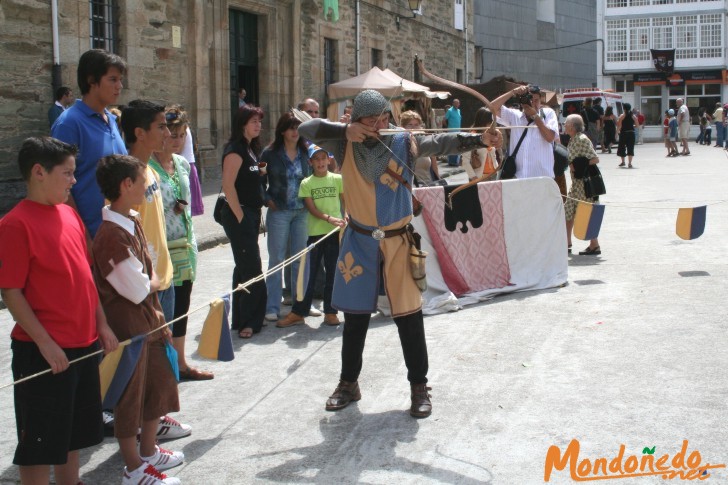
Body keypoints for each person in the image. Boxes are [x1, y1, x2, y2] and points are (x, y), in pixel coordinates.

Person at [298, 89, 503, 418]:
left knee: (409, 317)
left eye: (382, 118)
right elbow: (304, 127)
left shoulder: (403, 141)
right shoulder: (343, 142)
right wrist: (343, 130)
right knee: (355, 318)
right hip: (359, 241)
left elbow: (443, 143)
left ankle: (419, 386)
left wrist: (480, 138)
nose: (378, 125)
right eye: (370, 120)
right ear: (357, 120)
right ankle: (348, 382)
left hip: (397, 240)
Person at [0, 137, 118, 485]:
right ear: (39, 172)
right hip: (43, 352)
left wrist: (102, 324)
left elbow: (85, 274)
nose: (74, 180)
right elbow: (11, 292)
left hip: (84, 344)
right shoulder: (14, 225)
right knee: (41, 439)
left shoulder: (69, 213)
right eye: (66, 173)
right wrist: (45, 344)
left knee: (74, 434)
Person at [93, 154, 183, 485]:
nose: (147, 186)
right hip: (131, 330)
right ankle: (133, 467)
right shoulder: (110, 236)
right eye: (142, 180)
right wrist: (155, 281)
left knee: (156, 388)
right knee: (130, 397)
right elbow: (136, 288)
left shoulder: (131, 219)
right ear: (126, 185)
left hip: (150, 324)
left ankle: (148, 451)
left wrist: (153, 283)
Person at [120, 100, 193, 441]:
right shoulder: (129, 173)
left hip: (164, 275)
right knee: (147, 362)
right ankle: (143, 430)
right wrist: (144, 279)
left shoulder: (150, 170)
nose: (169, 134)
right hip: (147, 283)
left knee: (161, 360)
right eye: (162, 127)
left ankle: (157, 418)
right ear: (140, 133)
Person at [150, 106, 213, 380]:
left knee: (183, 305)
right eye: (171, 133)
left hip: (185, 246)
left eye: (181, 135)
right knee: (162, 312)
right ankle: (162, 368)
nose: (175, 140)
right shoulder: (147, 168)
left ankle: (181, 363)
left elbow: (187, 206)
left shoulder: (183, 164)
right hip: (160, 248)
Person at [51, 49, 127, 239]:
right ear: (91, 80)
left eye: (120, 79)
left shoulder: (110, 119)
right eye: (113, 79)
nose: (120, 86)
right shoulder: (69, 123)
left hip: (118, 233)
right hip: (91, 236)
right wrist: (84, 239)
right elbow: (59, 186)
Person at [276, 144, 345, 328]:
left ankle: (331, 312)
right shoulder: (307, 183)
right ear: (311, 162)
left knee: (333, 274)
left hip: (334, 234)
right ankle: (299, 312)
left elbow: (346, 202)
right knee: (307, 275)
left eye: (323, 158)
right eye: (316, 159)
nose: (321, 162)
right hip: (314, 235)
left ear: (329, 160)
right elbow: (311, 208)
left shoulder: (337, 179)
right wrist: (329, 218)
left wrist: (346, 216)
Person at [261, 112, 317, 323]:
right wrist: (266, 198)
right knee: (276, 259)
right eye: (292, 128)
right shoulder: (269, 154)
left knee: (301, 259)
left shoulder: (306, 152)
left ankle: (301, 304)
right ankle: (272, 306)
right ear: (282, 130)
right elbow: (259, 178)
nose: (295, 132)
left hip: (302, 211)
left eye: (298, 128)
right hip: (280, 211)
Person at [220, 106, 267, 339]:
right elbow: (228, 186)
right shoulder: (235, 150)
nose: (258, 125)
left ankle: (240, 318)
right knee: (251, 267)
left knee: (243, 265)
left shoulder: (251, 149)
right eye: (253, 121)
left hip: (251, 214)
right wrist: (240, 216)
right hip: (241, 215)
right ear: (242, 124)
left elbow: (251, 176)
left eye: (259, 121)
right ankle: (249, 321)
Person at [491, 84, 559, 179]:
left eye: (536, 100)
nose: (533, 104)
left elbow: (550, 137)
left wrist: (535, 116)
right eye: (530, 100)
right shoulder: (515, 116)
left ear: (540, 101)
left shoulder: (548, 114)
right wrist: (513, 92)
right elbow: (491, 108)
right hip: (519, 178)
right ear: (522, 102)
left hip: (543, 179)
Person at [562, 115, 601, 256]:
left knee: (587, 214)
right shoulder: (572, 139)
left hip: (585, 185)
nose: (564, 125)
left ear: (572, 126)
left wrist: (576, 165)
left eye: (566, 123)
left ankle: (594, 244)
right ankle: (566, 243)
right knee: (568, 212)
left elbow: (595, 159)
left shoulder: (582, 140)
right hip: (576, 184)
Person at [399, 110, 441, 185]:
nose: (413, 128)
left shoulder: (427, 141)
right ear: (403, 127)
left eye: (416, 124)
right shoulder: (399, 144)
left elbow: (435, 167)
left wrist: (439, 182)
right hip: (409, 188)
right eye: (410, 125)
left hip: (429, 187)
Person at [460, 107, 500, 181]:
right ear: (483, 121)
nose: (491, 124)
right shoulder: (471, 137)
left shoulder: (490, 134)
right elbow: (465, 161)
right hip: (479, 177)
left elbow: (494, 156)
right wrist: (474, 178)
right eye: (489, 122)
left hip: (493, 175)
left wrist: (496, 169)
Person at [616, 103, 638, 168]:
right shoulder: (633, 116)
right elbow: (637, 125)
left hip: (623, 133)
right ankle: (630, 163)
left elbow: (619, 126)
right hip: (631, 133)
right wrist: (631, 126)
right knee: (630, 148)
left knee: (622, 147)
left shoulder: (622, 116)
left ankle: (623, 162)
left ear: (624, 108)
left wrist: (616, 133)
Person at [444, 99, 462, 166]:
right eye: (456, 103)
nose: (457, 104)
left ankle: (456, 162)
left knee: (457, 146)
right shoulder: (449, 111)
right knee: (451, 146)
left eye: (458, 103)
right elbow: (444, 120)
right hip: (451, 131)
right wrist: (448, 127)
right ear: (453, 104)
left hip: (458, 131)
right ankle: (451, 162)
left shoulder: (458, 111)